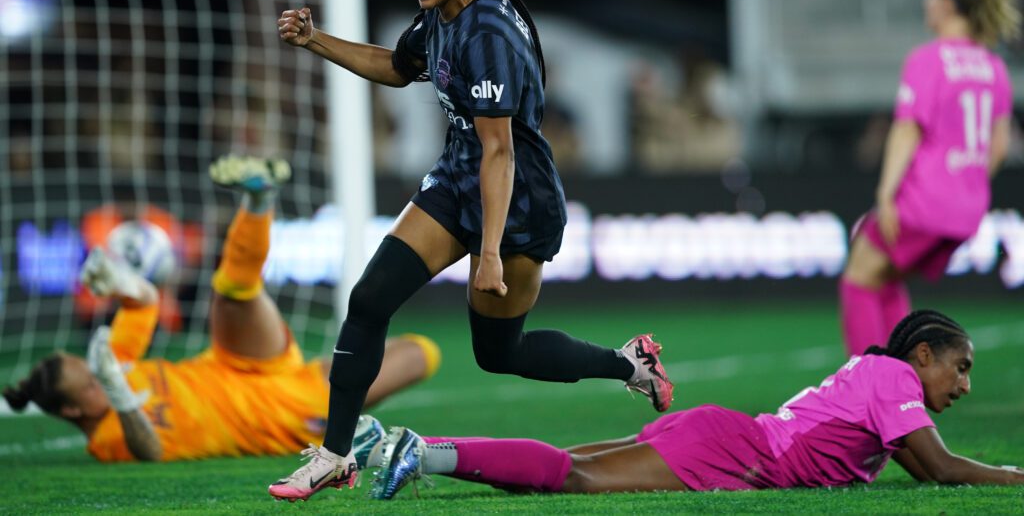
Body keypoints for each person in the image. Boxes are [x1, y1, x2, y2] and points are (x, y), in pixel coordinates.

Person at [271, 0, 672, 501]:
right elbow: (397, 66)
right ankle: (335, 454)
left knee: (498, 353)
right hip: (461, 178)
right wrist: (316, 40)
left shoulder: (489, 35)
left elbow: (501, 153)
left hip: (517, 204)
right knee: (369, 298)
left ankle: (630, 364)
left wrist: (487, 252)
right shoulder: (441, 16)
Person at [1, 155, 440, 463]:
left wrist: (122, 283)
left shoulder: (110, 361)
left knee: (232, 290)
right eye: (93, 386)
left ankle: (257, 202)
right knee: (424, 352)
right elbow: (150, 450)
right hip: (280, 413)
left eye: (95, 372)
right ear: (75, 412)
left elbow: (145, 304)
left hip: (235, 361)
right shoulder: (108, 438)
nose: (102, 375)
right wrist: (120, 395)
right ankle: (321, 375)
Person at [366, 309, 1024, 499]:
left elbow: (917, 459)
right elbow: (939, 467)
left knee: (563, 465)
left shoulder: (882, 377)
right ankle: (421, 450)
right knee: (576, 476)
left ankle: (415, 449)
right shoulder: (896, 381)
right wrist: (1014, 476)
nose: (964, 385)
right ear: (924, 356)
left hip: (725, 433)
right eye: (960, 367)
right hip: (733, 450)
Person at [838, 0, 1018, 357]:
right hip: (968, 210)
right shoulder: (995, 68)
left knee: (859, 277)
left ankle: (867, 390)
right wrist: (964, 187)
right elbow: (999, 146)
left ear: (948, 4)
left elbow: (907, 130)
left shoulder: (928, 59)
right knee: (884, 278)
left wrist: (886, 193)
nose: (926, 0)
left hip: (923, 202)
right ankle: (903, 383)